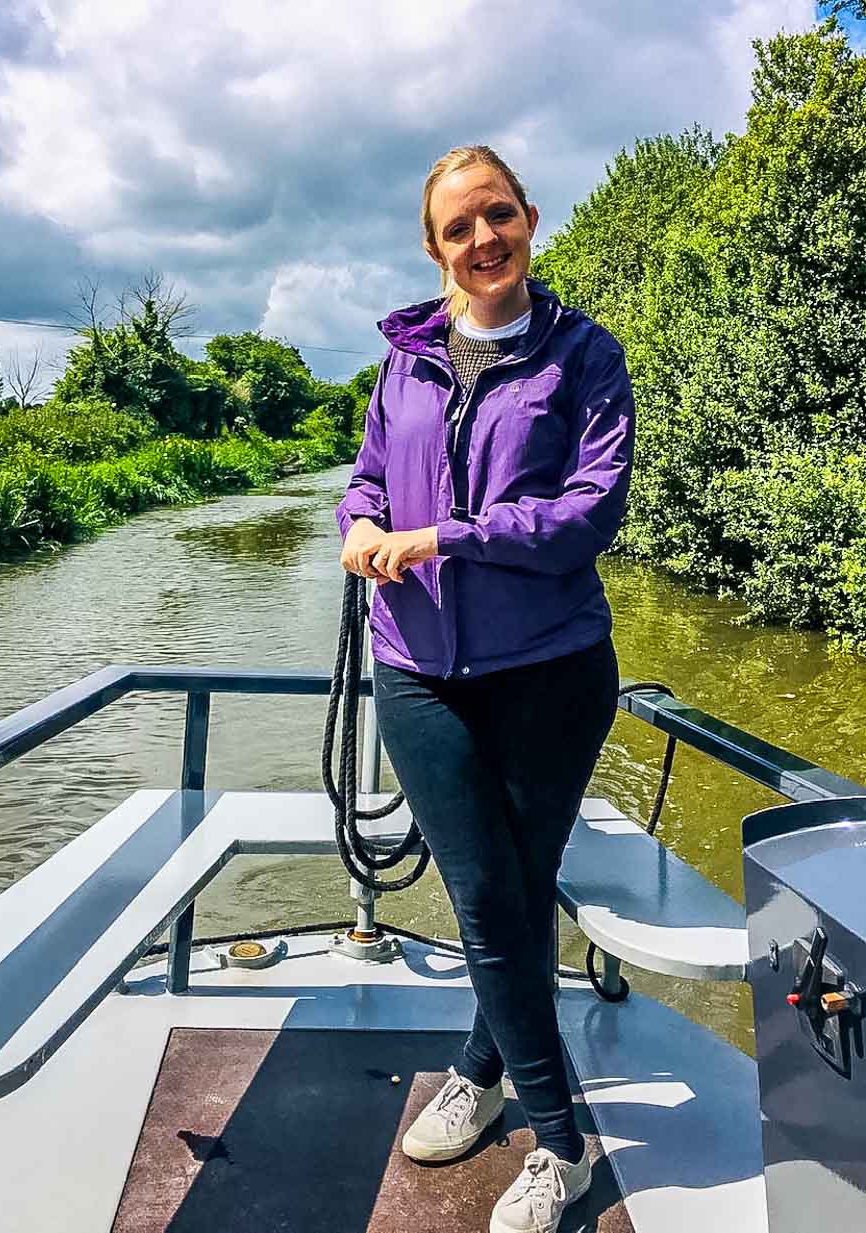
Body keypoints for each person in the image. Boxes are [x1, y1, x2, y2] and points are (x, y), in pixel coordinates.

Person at [335, 145, 635, 1233]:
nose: (481, 242)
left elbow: (583, 518)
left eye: (496, 215)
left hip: (550, 675)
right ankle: (562, 1135)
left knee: (509, 896)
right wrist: (361, 527)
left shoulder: (585, 358)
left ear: (530, 220)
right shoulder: (402, 363)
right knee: (488, 901)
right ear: (433, 248)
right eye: (457, 228)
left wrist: (440, 536)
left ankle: (490, 1078)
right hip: (419, 675)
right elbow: (365, 477)